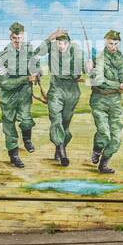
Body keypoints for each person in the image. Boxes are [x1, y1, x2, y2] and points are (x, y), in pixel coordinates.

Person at [35, 27, 86, 167]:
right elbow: (36, 53)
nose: (60, 46)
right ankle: (63, 153)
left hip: (72, 91)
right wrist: (50, 37)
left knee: (65, 124)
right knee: (56, 120)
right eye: (58, 43)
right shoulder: (51, 49)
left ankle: (59, 146)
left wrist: (89, 67)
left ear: (69, 43)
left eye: (63, 43)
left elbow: (84, 70)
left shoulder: (76, 52)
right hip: (56, 89)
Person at [0, 21, 41, 168]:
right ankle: (13, 154)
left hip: (24, 93)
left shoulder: (29, 51)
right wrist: (26, 78)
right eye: (15, 38)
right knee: (9, 124)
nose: (17, 41)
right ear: (10, 37)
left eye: (20, 37)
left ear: (23, 36)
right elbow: (5, 84)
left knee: (26, 120)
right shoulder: (2, 58)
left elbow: (37, 66)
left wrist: (37, 73)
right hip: (8, 95)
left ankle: (27, 140)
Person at [88, 29, 123, 174]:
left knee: (116, 138)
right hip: (99, 100)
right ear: (106, 42)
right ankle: (97, 149)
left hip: (115, 101)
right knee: (104, 134)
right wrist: (118, 85)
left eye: (116, 44)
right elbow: (98, 81)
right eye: (111, 43)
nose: (114, 47)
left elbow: (122, 77)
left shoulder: (120, 58)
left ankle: (104, 163)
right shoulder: (99, 58)